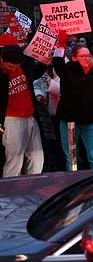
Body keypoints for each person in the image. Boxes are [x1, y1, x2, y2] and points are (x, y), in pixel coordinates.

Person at [53, 37, 93, 170]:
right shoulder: (67, 70)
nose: (87, 58)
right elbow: (57, 62)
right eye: (83, 56)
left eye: (88, 55)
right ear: (74, 58)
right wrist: (61, 45)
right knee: (72, 157)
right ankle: (73, 183)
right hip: (70, 121)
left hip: (89, 121)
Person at [0, 44, 47, 177]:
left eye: (16, 66)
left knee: (37, 159)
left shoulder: (24, 66)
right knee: (14, 160)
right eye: (9, 66)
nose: (13, 69)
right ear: (1, 59)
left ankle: (32, 188)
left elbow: (33, 74)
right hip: (11, 119)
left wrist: (45, 64)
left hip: (30, 117)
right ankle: (8, 193)